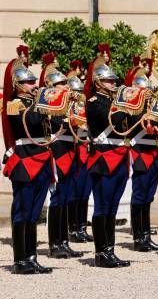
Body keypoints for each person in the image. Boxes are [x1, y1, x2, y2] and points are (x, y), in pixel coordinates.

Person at [2, 46, 54, 274]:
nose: (35, 85)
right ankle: (20, 260)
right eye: (30, 82)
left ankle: (31, 257)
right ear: (18, 85)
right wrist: (44, 103)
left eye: (35, 81)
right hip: (25, 161)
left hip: (42, 160)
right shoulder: (15, 105)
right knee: (22, 211)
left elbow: (53, 127)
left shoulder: (38, 104)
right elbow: (30, 124)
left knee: (34, 214)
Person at [84, 44, 131, 268]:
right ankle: (100, 252)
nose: (114, 83)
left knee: (113, 206)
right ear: (98, 83)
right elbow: (110, 119)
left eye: (114, 80)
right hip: (103, 156)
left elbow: (129, 122)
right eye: (110, 81)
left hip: (120, 154)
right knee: (102, 206)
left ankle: (110, 250)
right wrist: (133, 103)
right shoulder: (95, 103)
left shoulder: (115, 101)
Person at [40, 52, 83, 259]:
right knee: (57, 199)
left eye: (67, 83)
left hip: (69, 151)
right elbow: (53, 127)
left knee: (66, 199)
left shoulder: (67, 105)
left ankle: (63, 241)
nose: (67, 87)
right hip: (57, 153)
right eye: (62, 84)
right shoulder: (49, 106)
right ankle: (54, 244)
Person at [124, 57, 158, 252]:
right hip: (140, 152)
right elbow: (133, 124)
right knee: (139, 196)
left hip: (153, 153)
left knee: (148, 197)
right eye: (144, 91)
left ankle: (146, 235)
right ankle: (139, 237)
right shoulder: (132, 108)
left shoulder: (152, 107)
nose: (148, 94)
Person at [65, 60, 94, 243]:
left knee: (85, 192)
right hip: (75, 151)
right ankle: (73, 228)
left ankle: (82, 226)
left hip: (86, 149)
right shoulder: (66, 108)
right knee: (74, 192)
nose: (78, 96)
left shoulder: (86, 107)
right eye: (75, 92)